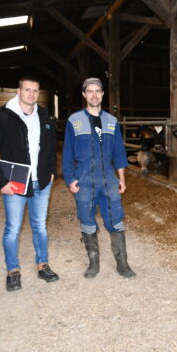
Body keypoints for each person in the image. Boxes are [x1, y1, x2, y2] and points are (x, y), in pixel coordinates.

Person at [0, 76, 59, 292]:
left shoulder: (43, 115)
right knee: (13, 228)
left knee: (40, 226)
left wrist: (52, 172)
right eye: (28, 90)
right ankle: (12, 271)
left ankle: (42, 264)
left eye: (35, 90)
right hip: (14, 184)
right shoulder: (3, 119)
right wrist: (1, 181)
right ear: (19, 91)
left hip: (41, 182)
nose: (32, 94)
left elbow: (51, 145)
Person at [62, 77, 135, 279]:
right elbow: (67, 153)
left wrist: (122, 178)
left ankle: (122, 264)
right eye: (90, 91)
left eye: (98, 91)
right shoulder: (74, 121)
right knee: (87, 220)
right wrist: (70, 179)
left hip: (108, 180)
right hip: (84, 179)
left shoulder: (111, 122)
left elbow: (119, 153)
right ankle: (93, 263)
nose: (94, 95)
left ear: (102, 94)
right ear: (84, 95)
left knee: (116, 220)